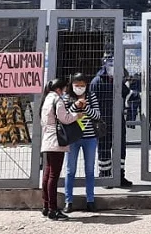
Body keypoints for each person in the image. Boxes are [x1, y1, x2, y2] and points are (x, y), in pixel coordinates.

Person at [40, 78, 78, 220]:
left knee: (47, 173)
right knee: (53, 176)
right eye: (64, 89)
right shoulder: (58, 100)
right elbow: (65, 119)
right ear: (59, 89)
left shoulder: (46, 100)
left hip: (47, 140)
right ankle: (53, 209)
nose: (64, 92)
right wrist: (77, 115)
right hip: (56, 141)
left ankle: (45, 205)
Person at [91, 62, 132, 187]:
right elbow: (92, 101)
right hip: (102, 120)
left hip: (118, 120)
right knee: (104, 148)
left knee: (120, 148)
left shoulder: (117, 81)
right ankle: (105, 176)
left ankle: (119, 175)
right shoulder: (97, 82)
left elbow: (128, 94)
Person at [64, 73, 101, 212]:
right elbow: (64, 115)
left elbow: (97, 115)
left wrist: (85, 107)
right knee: (70, 170)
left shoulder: (91, 96)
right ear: (72, 85)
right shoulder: (67, 97)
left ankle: (90, 200)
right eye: (77, 85)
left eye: (82, 85)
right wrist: (75, 106)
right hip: (73, 138)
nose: (79, 88)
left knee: (90, 170)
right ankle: (69, 201)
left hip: (89, 138)